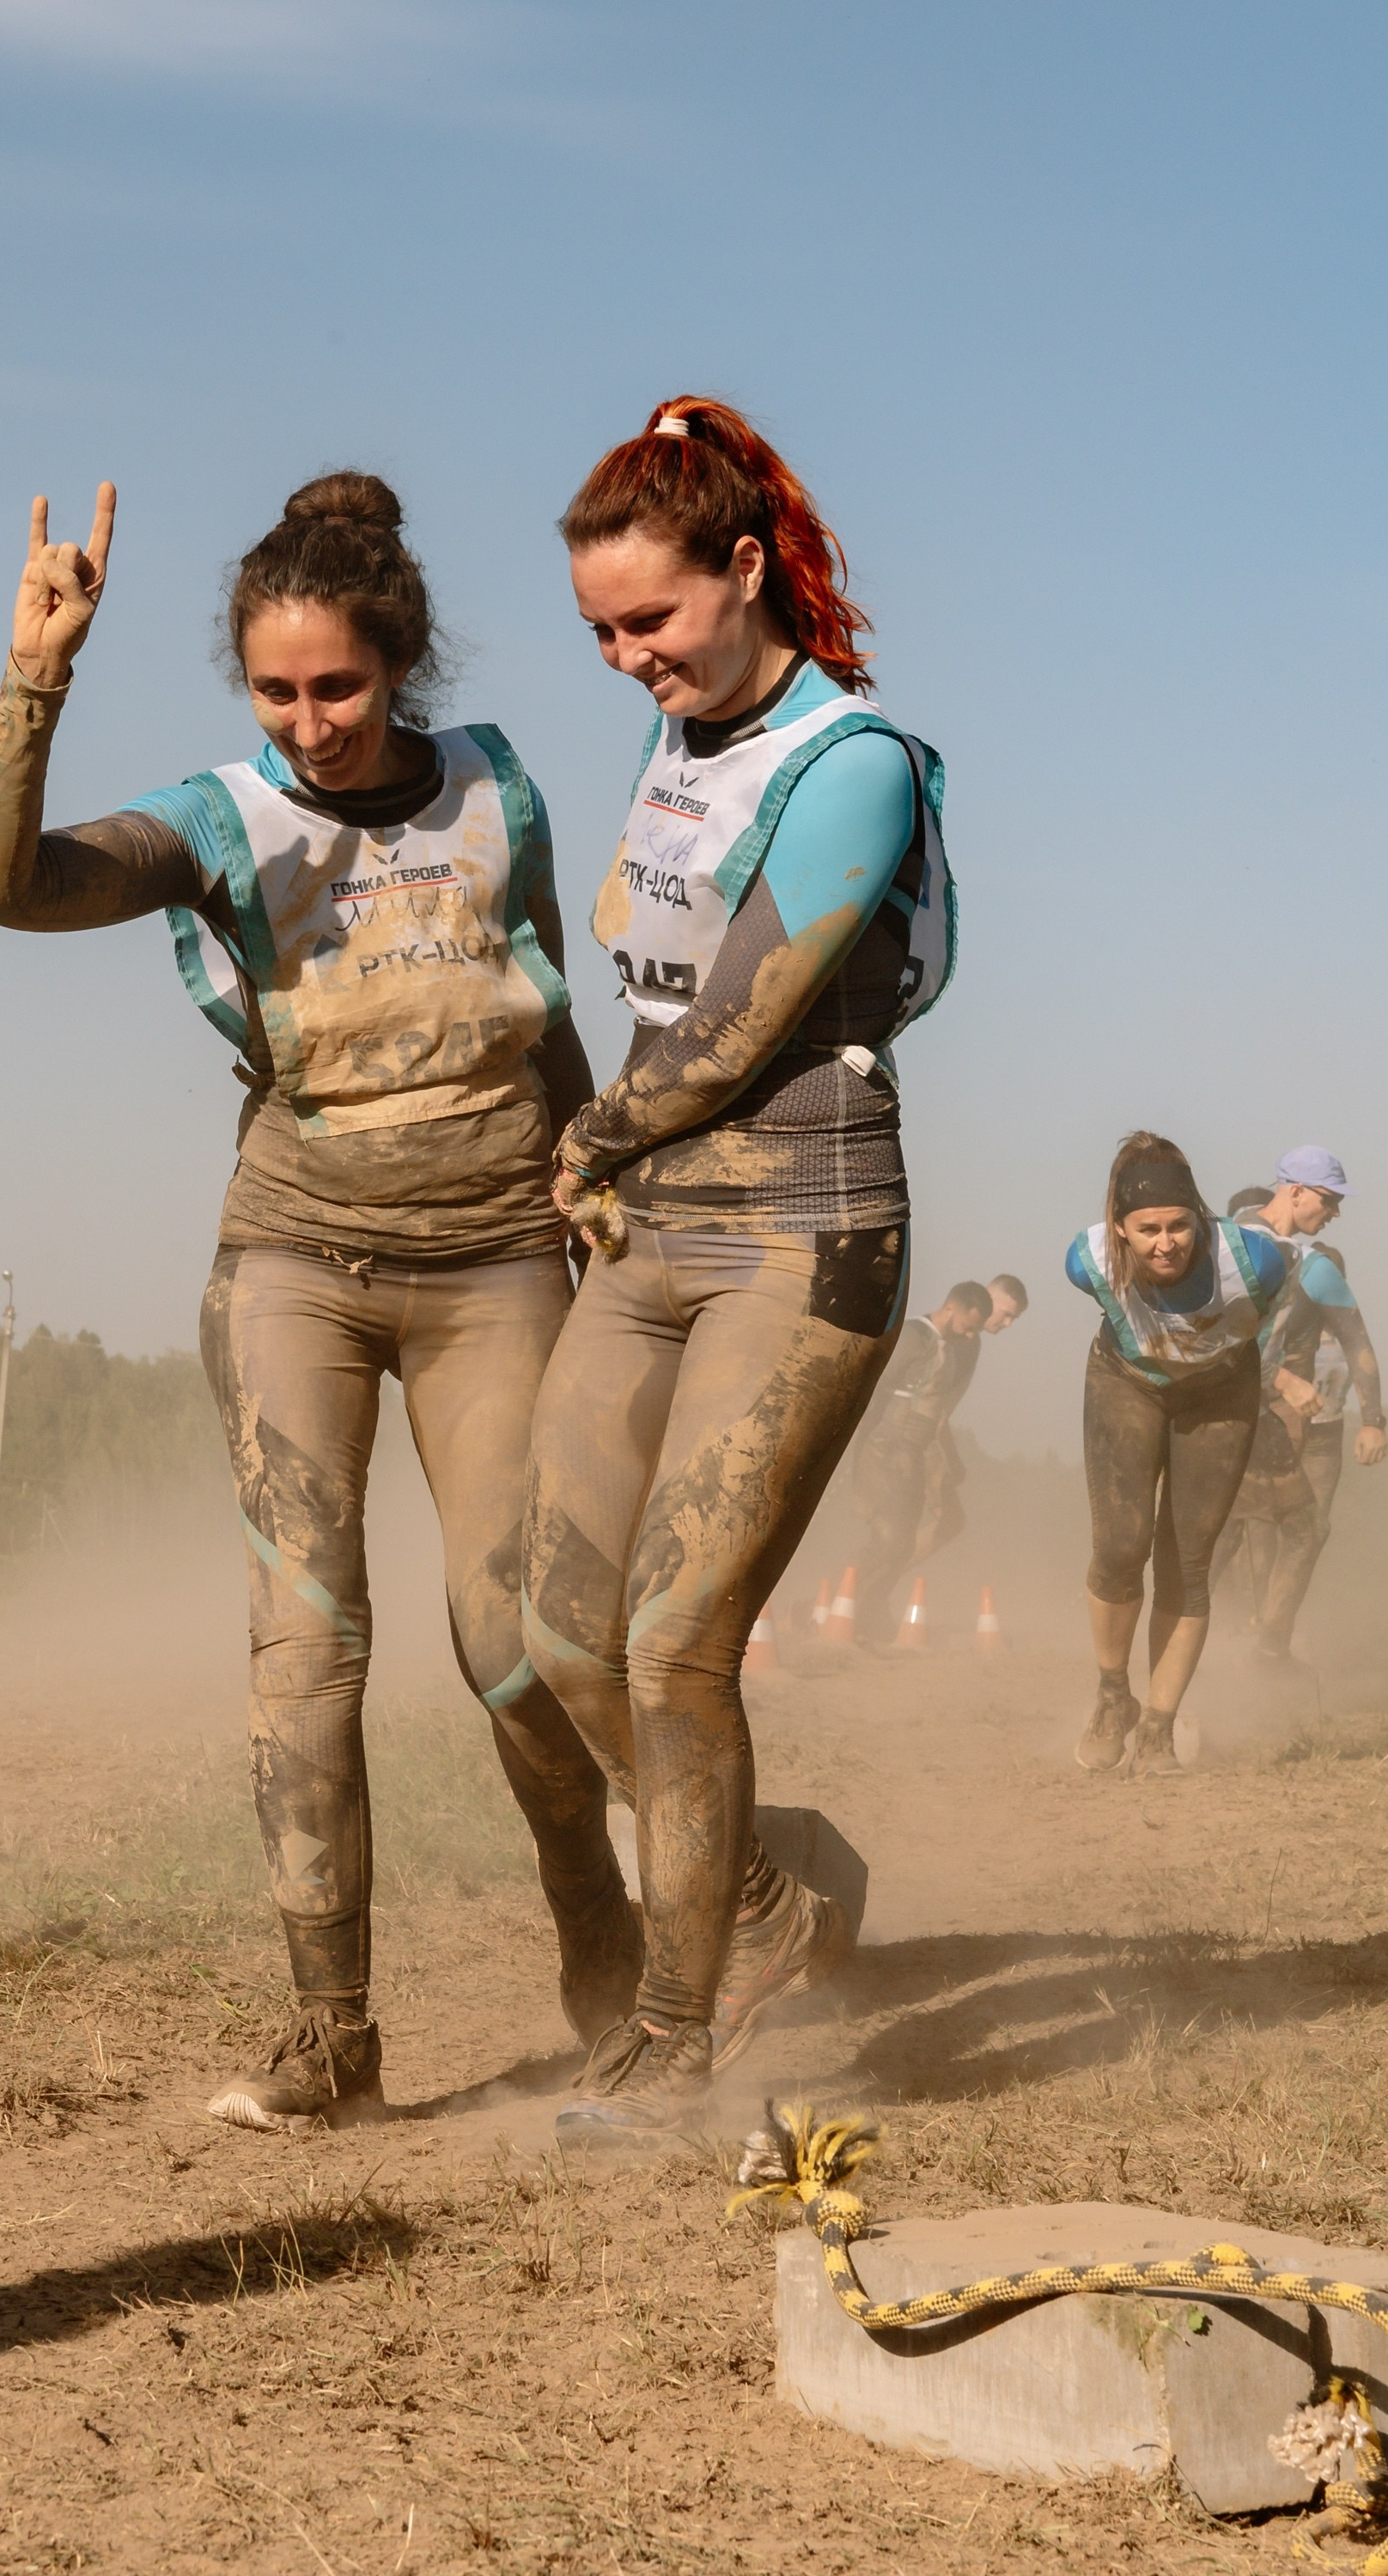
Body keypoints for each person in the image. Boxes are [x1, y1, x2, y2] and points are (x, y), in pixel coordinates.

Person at [0, 474, 639, 2131]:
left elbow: (538, 998)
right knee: (307, 1640)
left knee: (519, 1643)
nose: (311, 723)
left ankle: (609, 1953)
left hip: (493, 1260)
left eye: (338, 687)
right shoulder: (218, 820)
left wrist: (600, 1159)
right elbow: (5, 885)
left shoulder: (498, 790)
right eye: (275, 691)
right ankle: (330, 2031)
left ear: (397, 661)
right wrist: (34, 676)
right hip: (295, 1262)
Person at [518, 394, 958, 2144]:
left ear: (746, 568)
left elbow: (734, 1024)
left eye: (653, 618)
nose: (629, 658)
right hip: (650, 1225)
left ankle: (671, 2044)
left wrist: (584, 1138)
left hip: (800, 1223)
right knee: (558, 1633)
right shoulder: (680, 739)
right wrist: (612, 1150)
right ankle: (768, 1901)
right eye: (600, 633)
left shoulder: (849, 760)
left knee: (673, 1638)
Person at [1068, 1133, 1292, 1778]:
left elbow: (1262, 1322)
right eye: (1147, 1230)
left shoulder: (1256, 1261)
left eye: (1178, 1226)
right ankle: (1114, 1697)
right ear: (1120, 1229)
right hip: (1126, 1382)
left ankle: (1159, 1730)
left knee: (1187, 1560)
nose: (1165, 1243)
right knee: (1120, 1545)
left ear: (1200, 1218)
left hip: (1221, 1392)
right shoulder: (1087, 1263)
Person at [1212, 1157, 1385, 1658]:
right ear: (1295, 1192)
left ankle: (1259, 1647)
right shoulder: (1237, 1244)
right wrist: (1284, 1379)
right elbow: (1214, 1337)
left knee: (1247, 1528)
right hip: (1241, 1413)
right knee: (1230, 1529)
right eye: (1329, 1200)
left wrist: (1373, 1420)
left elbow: (1358, 1342)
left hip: (1268, 1418)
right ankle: (1237, 1645)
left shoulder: (1311, 1265)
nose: (1334, 1212)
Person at [849, 1281, 992, 1642]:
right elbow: (875, 1389)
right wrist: (857, 1449)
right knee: (889, 1537)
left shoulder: (948, 1350)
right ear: (951, 1309)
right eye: (969, 1326)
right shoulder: (913, 1336)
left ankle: (868, 1609)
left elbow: (937, 1417)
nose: (972, 1335)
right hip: (883, 1449)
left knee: (904, 1543)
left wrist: (952, 1460)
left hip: (911, 1456)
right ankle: (843, 1605)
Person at [911, 1273, 1028, 1566]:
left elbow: (943, 1411)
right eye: (1007, 1315)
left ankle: (860, 1594)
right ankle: (856, 1594)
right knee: (943, 1522)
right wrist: (953, 1459)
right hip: (915, 1438)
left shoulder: (971, 1343)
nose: (1008, 1324)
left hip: (924, 1438)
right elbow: (935, 1411)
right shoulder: (952, 1337)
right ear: (990, 1298)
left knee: (915, 1526)